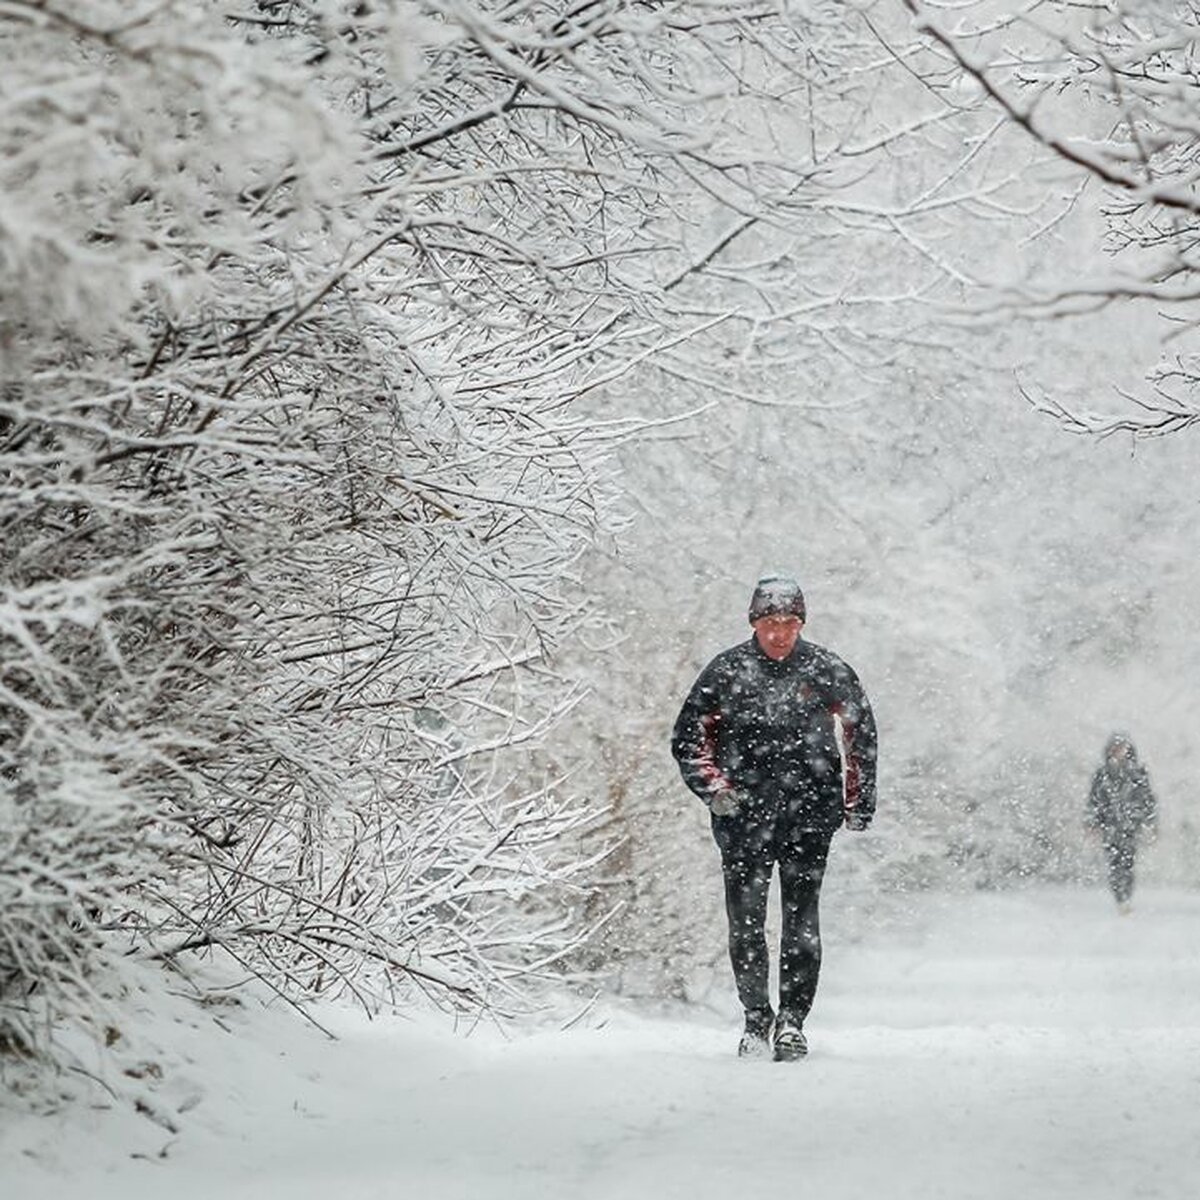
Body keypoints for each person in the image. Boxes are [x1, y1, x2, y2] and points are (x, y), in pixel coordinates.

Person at [671, 575, 877, 1061]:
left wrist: (858, 799)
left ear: (801, 624)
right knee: (746, 924)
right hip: (743, 818)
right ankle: (755, 1019)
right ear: (754, 624)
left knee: (801, 922)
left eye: (788, 623)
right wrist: (715, 791)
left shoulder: (826, 669)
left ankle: (792, 1021)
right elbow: (687, 740)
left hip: (810, 814)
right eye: (770, 623)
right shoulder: (726, 671)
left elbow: (860, 735)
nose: (779, 632)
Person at [1086, 733, 1157, 914]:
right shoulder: (1102, 775)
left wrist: (1149, 821)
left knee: (1128, 863)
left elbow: (1148, 800)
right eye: (1116, 748)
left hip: (1130, 827)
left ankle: (1126, 896)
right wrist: (1093, 823)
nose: (1119, 751)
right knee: (1114, 863)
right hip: (1110, 827)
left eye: (1122, 747)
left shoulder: (1138, 774)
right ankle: (1120, 897)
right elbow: (1094, 801)